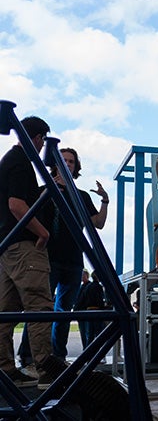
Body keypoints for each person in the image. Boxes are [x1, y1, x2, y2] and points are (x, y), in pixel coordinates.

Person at [0, 116, 54, 388]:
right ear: (38, 139)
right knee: (40, 307)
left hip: (6, 248)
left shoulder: (6, 161)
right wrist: (42, 232)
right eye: (43, 140)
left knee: (5, 312)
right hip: (24, 246)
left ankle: (6, 370)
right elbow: (16, 205)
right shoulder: (21, 163)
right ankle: (47, 370)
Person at [47, 147, 109, 359]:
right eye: (63, 160)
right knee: (41, 309)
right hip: (48, 259)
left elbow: (98, 223)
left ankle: (58, 357)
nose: (67, 164)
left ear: (76, 167)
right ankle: (32, 358)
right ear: (55, 164)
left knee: (63, 313)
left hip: (73, 261)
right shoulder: (45, 191)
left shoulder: (81, 196)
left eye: (71, 161)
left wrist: (105, 200)